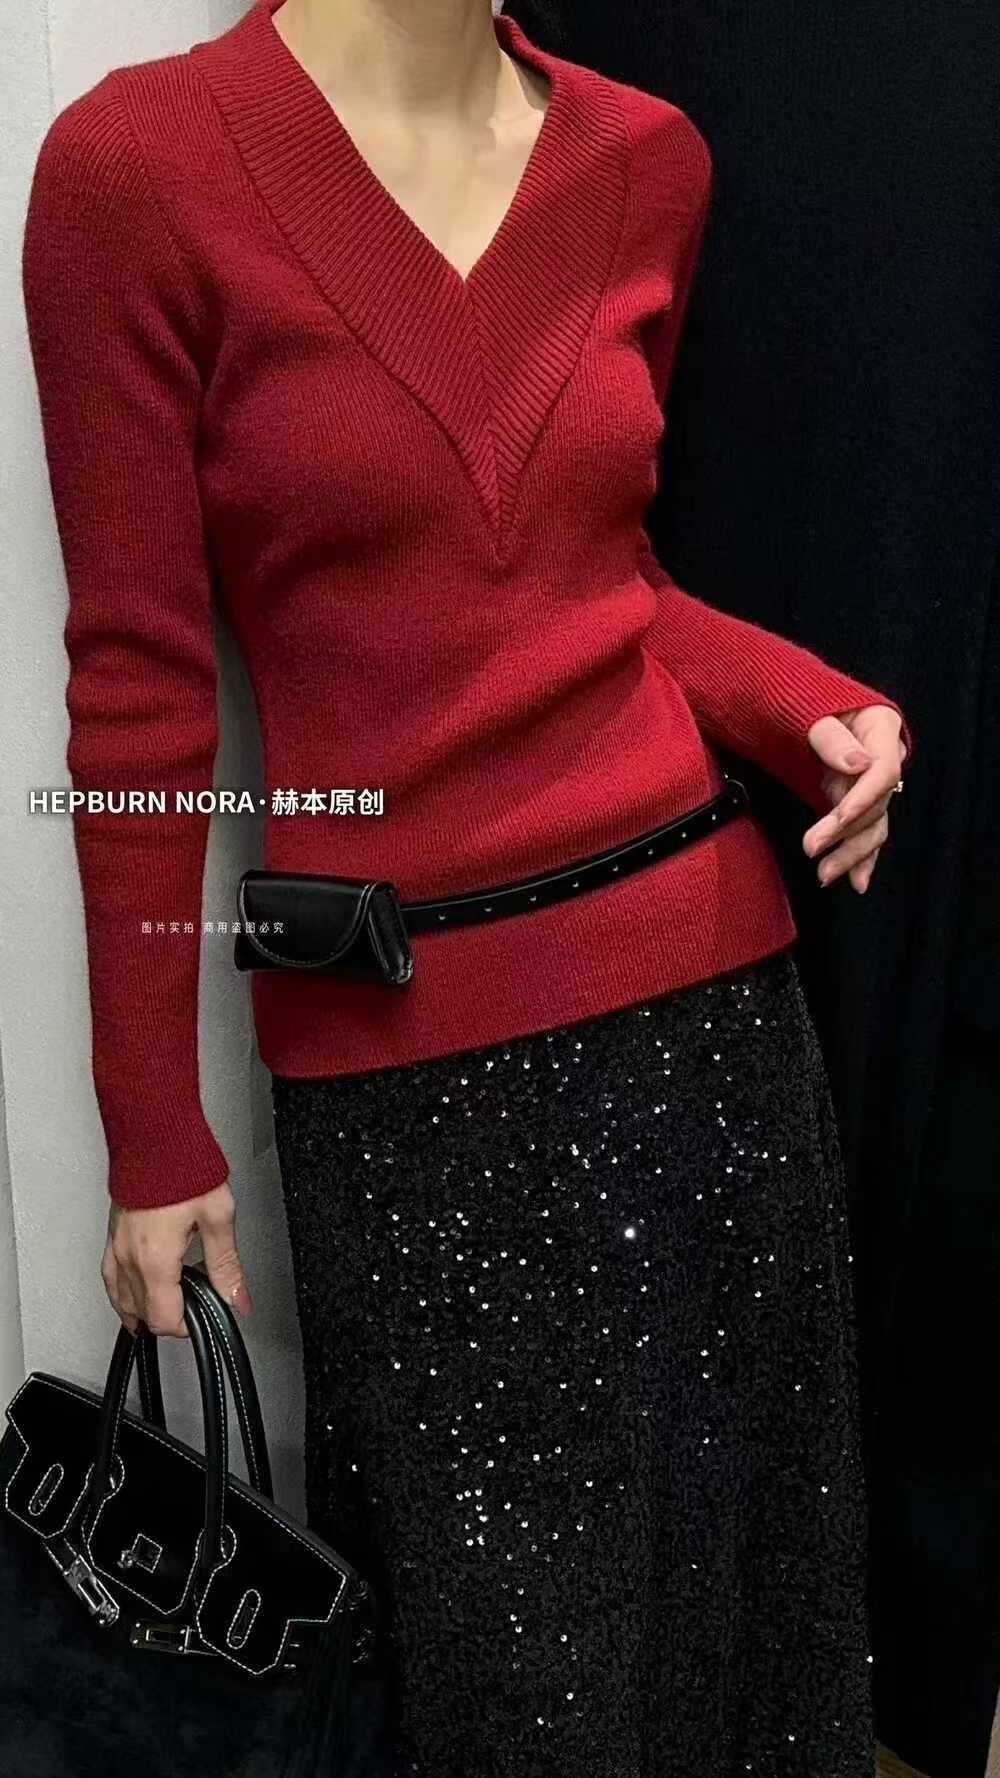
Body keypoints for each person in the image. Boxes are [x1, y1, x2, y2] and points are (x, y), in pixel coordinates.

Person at [20, 0, 910, 1772]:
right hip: (416, 1099)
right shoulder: (137, 172)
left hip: (717, 1031)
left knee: (756, 1643)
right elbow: (137, 682)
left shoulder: (645, 161)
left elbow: (606, 584)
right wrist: (151, 1128)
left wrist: (807, 705)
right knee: (509, 1697)